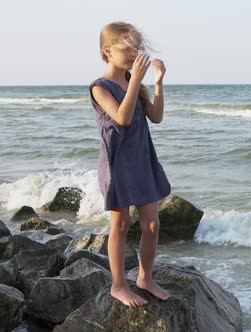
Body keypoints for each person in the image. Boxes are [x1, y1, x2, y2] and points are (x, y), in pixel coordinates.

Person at [89, 21, 171, 307]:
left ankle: (145, 278)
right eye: (126, 47)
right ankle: (118, 285)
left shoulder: (136, 84)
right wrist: (135, 78)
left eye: (136, 46)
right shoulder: (100, 87)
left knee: (151, 225)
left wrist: (157, 83)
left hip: (142, 159)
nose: (134, 52)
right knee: (121, 224)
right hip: (116, 163)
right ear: (107, 52)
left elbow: (156, 117)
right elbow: (121, 118)